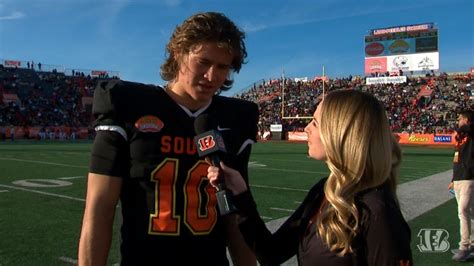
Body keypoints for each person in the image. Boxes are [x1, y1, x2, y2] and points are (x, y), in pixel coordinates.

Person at [78, 12, 258, 266]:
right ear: (178, 53)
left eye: (222, 67)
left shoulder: (236, 118)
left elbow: (235, 215)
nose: (212, 76)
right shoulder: (129, 105)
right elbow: (99, 209)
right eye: (203, 62)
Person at [208, 89, 413, 265]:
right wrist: (241, 194)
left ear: (339, 133)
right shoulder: (325, 190)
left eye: (314, 123)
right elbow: (271, 253)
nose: (306, 129)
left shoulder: (377, 211)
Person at [449, 110, 474, 261]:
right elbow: (457, 159)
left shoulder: (470, 134)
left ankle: (464, 247)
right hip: (459, 178)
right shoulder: (462, 137)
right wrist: (453, 179)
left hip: (469, 178)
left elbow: (469, 128)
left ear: (466, 120)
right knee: (467, 212)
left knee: (463, 211)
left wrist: (464, 126)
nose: (458, 121)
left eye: (460, 119)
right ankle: (471, 244)